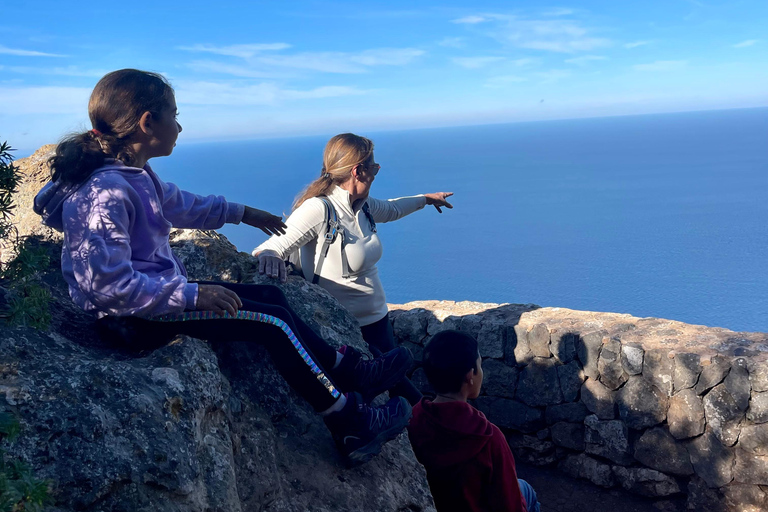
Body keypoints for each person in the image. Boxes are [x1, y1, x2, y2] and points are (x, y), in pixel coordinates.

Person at [33, 69, 414, 463]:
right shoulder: (105, 193)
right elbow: (106, 287)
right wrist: (193, 294)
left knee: (269, 296)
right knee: (273, 324)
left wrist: (242, 213)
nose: (179, 126)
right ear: (148, 122)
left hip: (154, 295)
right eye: (174, 115)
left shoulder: (133, 174)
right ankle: (348, 421)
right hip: (131, 318)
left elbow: (178, 203)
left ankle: (347, 369)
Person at [253, 133, 453, 405]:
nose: (376, 173)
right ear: (358, 171)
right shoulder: (319, 209)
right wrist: (270, 255)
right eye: (374, 168)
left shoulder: (364, 207)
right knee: (406, 399)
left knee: (397, 396)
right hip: (349, 332)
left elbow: (393, 208)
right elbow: (272, 246)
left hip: (379, 322)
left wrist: (426, 199)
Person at [407, 330, 541, 512]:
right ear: (470, 376)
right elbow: (511, 506)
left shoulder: (414, 418)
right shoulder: (489, 439)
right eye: (480, 365)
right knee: (527, 491)